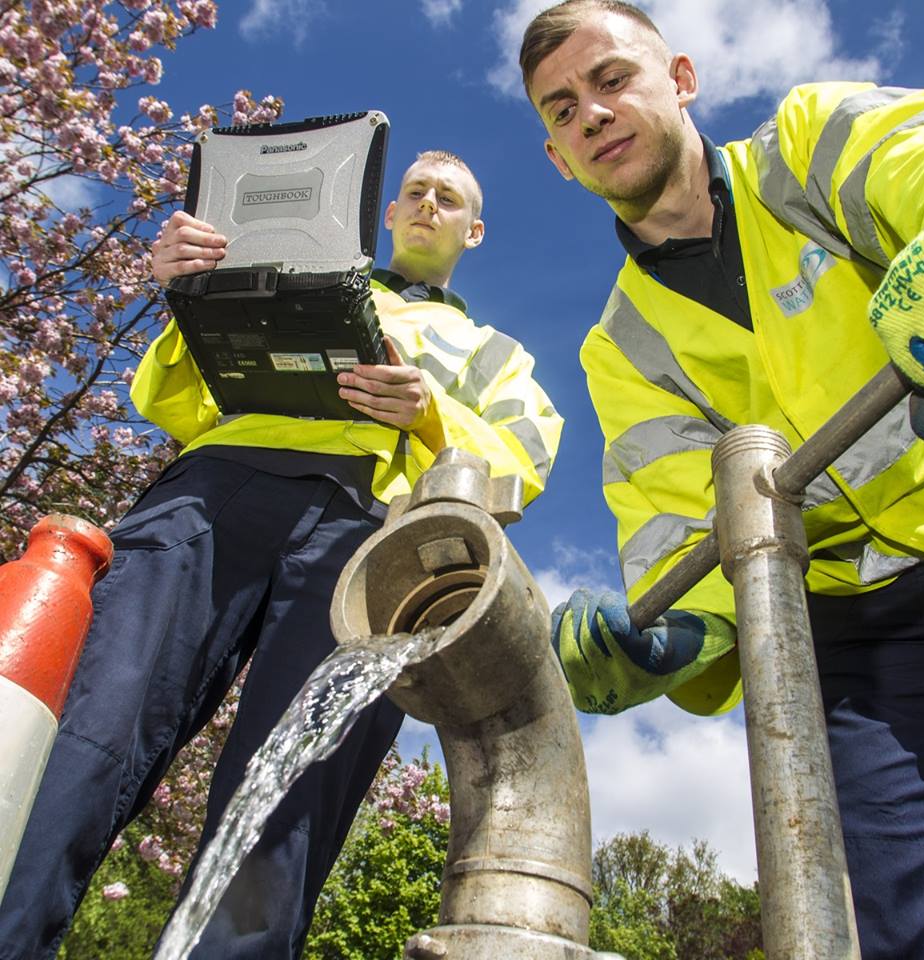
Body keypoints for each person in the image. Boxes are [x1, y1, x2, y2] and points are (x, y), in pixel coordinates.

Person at [0, 149, 562, 959]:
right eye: (415, 192)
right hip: (219, 485)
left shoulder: (494, 354)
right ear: (389, 216)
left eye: (449, 198)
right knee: (98, 710)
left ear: (473, 231)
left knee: (294, 782)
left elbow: (525, 457)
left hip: (371, 523)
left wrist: (430, 413)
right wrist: (186, 295)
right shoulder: (288, 276)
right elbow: (170, 400)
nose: (428, 203)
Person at [519, 2, 924, 958]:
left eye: (611, 80)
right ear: (558, 159)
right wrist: (675, 637)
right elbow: (682, 515)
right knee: (909, 918)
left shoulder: (806, 150)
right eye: (560, 111)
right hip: (850, 632)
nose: (589, 115)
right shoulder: (621, 348)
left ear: (680, 79)